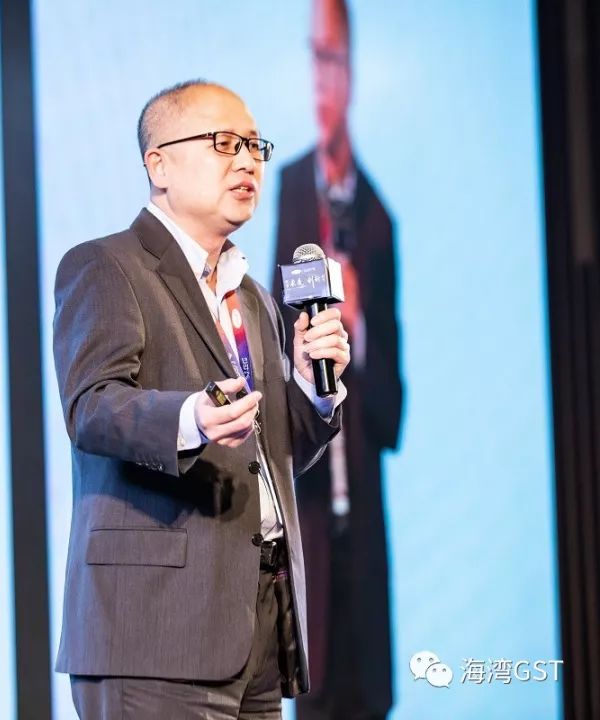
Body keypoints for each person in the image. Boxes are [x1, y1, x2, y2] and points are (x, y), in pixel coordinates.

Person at [52, 79, 351, 720]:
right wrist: (191, 417)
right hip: (154, 631)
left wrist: (310, 390)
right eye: (223, 143)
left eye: (254, 145)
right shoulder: (106, 266)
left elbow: (268, 458)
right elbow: (92, 407)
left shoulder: (253, 299)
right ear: (158, 164)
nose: (247, 161)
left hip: (258, 625)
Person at [271, 2, 405, 718]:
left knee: (367, 696)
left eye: (334, 59)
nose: (323, 77)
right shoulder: (291, 189)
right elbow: (272, 351)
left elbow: (391, 414)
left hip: (365, 535)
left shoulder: (379, 218)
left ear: (352, 71)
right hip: (312, 528)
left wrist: (358, 323)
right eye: (313, 58)